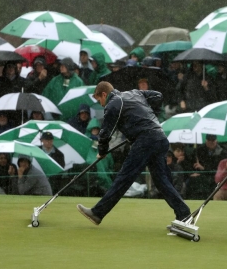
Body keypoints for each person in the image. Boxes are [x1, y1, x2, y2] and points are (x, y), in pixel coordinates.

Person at [77, 81, 190, 225]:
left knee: (124, 177)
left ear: (104, 94)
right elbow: (158, 96)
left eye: (99, 99)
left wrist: (102, 152)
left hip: (145, 140)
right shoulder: (135, 93)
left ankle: (98, 213)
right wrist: (146, 115)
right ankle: (184, 214)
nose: (100, 104)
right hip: (160, 138)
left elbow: (105, 133)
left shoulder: (113, 104)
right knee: (162, 180)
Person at [186, 134, 227, 200]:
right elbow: (190, 165)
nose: (211, 142)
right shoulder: (198, 151)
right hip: (200, 177)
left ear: (216, 141)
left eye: (213, 140)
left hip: (214, 178)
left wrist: (204, 168)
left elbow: (219, 170)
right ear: (206, 141)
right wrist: (192, 173)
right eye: (209, 140)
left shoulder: (222, 153)